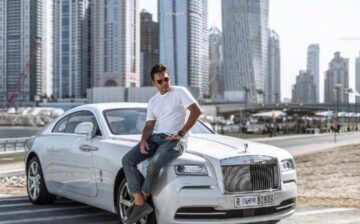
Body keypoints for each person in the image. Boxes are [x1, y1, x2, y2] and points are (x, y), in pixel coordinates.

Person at [122, 64, 202, 223]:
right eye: (160, 81)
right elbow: (149, 126)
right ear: (154, 83)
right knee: (127, 160)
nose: (165, 83)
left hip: (175, 140)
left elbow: (196, 111)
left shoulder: (179, 92)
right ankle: (139, 200)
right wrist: (143, 140)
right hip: (156, 138)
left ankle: (142, 200)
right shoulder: (153, 101)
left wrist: (180, 134)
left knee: (154, 164)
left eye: (166, 79)